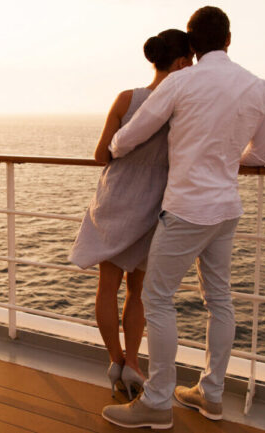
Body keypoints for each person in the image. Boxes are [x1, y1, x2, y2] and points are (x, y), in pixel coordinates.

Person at [101, 6, 265, 429]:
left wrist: (117, 151)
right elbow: (261, 156)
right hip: (226, 210)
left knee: (157, 300)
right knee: (220, 301)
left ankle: (157, 402)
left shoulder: (182, 80)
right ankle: (210, 395)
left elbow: (128, 137)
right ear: (229, 39)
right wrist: (225, 159)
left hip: (186, 211)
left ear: (193, 45)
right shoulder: (259, 86)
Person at [69, 29, 193, 400]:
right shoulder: (181, 108)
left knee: (107, 287)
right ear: (182, 62)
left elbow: (100, 155)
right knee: (137, 291)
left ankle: (116, 361)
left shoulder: (127, 99)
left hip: (114, 200)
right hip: (152, 208)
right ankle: (134, 364)